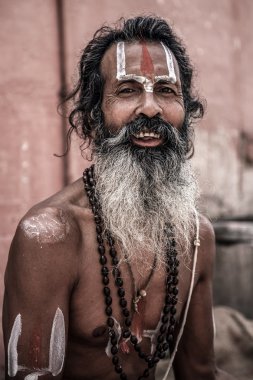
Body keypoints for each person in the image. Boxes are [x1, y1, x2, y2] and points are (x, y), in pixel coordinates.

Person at [3, 16, 236, 380]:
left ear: (186, 116)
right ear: (94, 119)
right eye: (127, 90)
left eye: (166, 91)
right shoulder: (50, 238)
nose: (150, 108)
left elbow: (199, 370)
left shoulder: (195, 237)